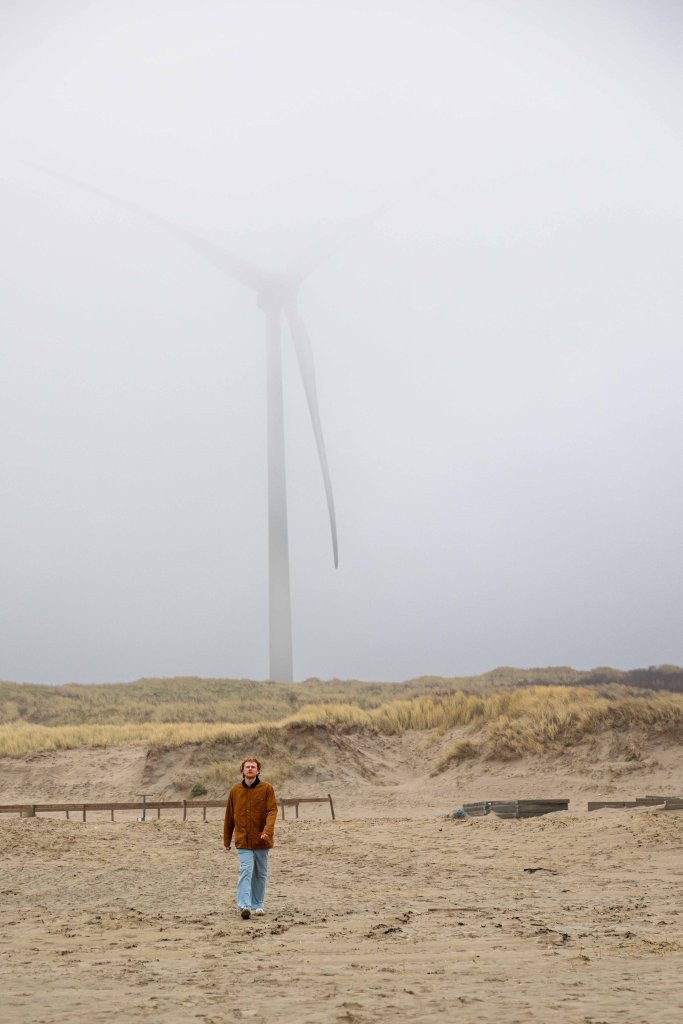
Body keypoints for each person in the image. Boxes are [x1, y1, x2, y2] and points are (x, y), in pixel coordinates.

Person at [223, 757, 278, 919]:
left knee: (260, 873)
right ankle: (244, 906)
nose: (250, 769)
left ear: (258, 770)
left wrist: (267, 830)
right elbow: (229, 817)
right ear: (242, 770)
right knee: (246, 871)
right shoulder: (235, 790)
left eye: (253, 767)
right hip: (243, 840)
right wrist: (227, 841)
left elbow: (272, 811)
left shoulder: (267, 788)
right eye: (247, 767)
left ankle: (258, 904)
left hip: (262, 840)